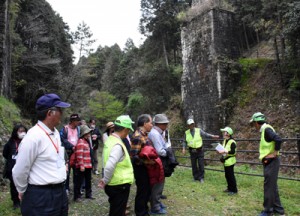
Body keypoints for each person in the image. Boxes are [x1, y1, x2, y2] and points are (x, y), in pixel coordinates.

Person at [12, 93, 70, 216]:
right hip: (41, 196)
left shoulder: (55, 133)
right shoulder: (33, 137)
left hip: (60, 192)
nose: (62, 113)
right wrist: (22, 190)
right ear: (50, 113)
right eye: (59, 109)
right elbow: (19, 170)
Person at [250, 112, 285, 216]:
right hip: (270, 161)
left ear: (256, 122)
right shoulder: (266, 129)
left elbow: (278, 139)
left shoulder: (266, 129)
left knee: (269, 186)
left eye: (253, 124)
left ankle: (268, 211)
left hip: (272, 162)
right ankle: (279, 210)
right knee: (272, 185)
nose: (253, 126)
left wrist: (274, 153)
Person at [99, 115, 135, 216]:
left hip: (115, 184)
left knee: (116, 209)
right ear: (125, 129)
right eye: (128, 130)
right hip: (119, 185)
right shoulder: (118, 145)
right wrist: (105, 180)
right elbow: (110, 165)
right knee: (118, 212)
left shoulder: (110, 140)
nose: (128, 133)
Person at [130, 114, 154, 216]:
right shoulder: (138, 136)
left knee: (147, 190)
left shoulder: (144, 135)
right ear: (144, 123)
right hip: (140, 168)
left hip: (146, 167)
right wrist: (147, 161)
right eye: (151, 123)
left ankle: (145, 210)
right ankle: (140, 212)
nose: (152, 125)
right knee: (142, 191)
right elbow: (134, 156)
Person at [182, 119, 219, 183]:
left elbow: (205, 134)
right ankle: (195, 177)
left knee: (201, 164)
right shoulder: (186, 132)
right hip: (192, 151)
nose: (191, 125)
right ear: (188, 126)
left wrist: (212, 136)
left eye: (192, 124)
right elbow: (184, 141)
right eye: (190, 125)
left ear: (194, 124)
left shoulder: (199, 130)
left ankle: (201, 177)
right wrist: (183, 148)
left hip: (199, 150)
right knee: (193, 165)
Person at [148, 114, 170, 214]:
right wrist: (169, 153)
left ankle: (156, 203)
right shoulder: (155, 134)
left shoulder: (158, 133)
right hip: (157, 162)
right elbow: (160, 150)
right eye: (165, 123)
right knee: (157, 184)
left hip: (158, 161)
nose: (166, 125)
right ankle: (155, 207)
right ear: (159, 124)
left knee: (159, 183)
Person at [3, 124, 28, 209]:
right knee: (13, 185)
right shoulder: (10, 143)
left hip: (25, 168)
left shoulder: (28, 142)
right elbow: (5, 153)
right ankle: (16, 202)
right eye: (20, 131)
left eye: (24, 131)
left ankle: (25, 200)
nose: (22, 133)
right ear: (15, 132)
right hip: (12, 168)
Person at [60, 114, 81, 194]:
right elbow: (62, 139)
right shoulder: (65, 129)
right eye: (76, 121)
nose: (78, 122)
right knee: (67, 171)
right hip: (68, 152)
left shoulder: (78, 129)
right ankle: (66, 189)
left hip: (76, 152)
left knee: (77, 172)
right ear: (72, 121)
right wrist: (71, 146)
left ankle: (77, 192)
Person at [73, 125, 94, 202]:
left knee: (88, 180)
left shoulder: (87, 141)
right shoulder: (81, 141)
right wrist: (81, 165)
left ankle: (88, 194)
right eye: (88, 132)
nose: (89, 134)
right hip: (82, 166)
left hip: (88, 165)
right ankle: (77, 196)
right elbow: (79, 154)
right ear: (84, 133)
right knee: (79, 181)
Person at [217, 126, 238, 195]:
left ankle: (234, 190)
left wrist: (225, 152)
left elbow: (233, 152)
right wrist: (222, 155)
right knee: (227, 175)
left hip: (230, 161)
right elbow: (223, 150)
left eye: (224, 132)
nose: (223, 133)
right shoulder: (225, 140)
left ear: (228, 134)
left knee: (231, 176)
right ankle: (229, 188)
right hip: (226, 161)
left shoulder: (232, 142)